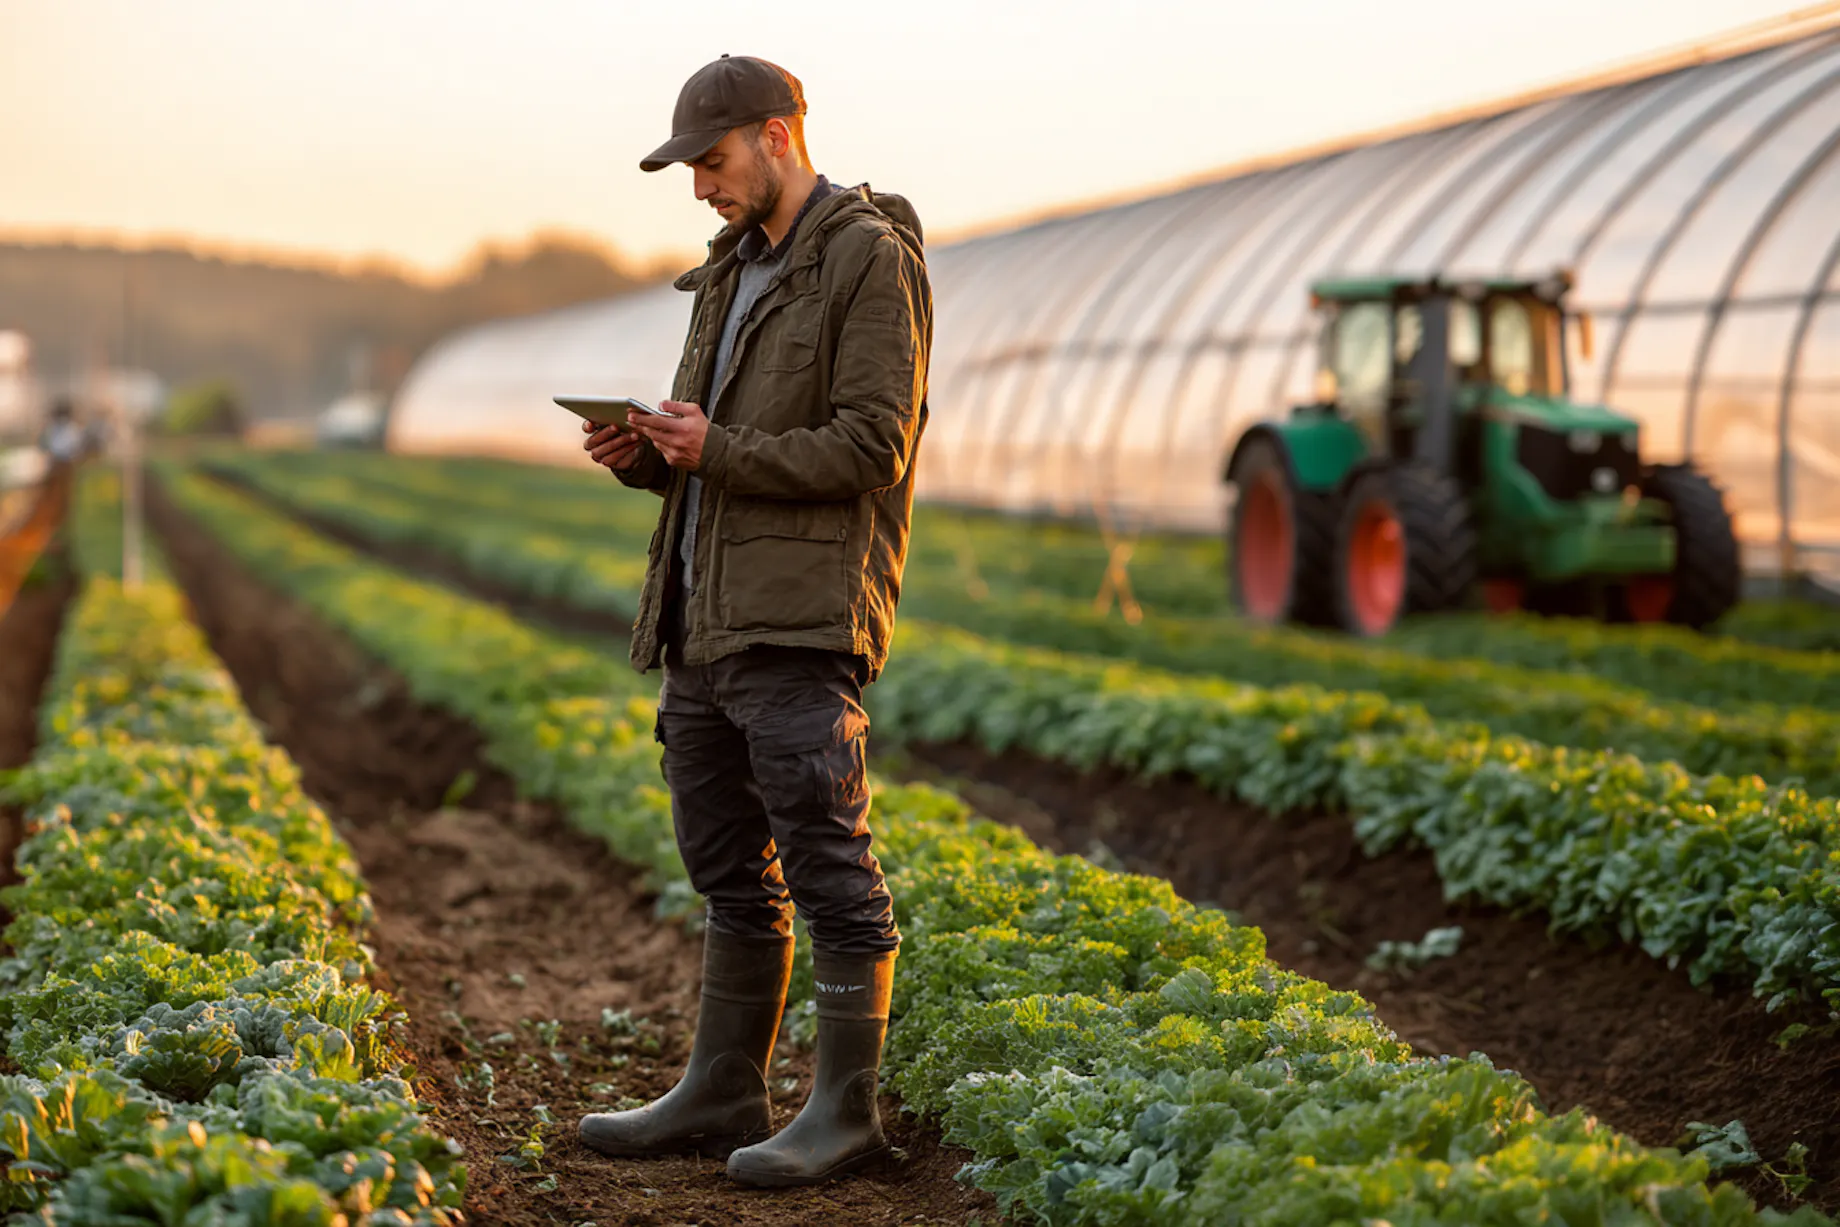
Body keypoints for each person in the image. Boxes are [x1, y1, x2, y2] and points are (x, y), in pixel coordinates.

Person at [575, 54, 932, 1188]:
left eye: (712, 161)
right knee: (728, 865)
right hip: (703, 617)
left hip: (797, 618)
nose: (699, 188)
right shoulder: (731, 272)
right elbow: (714, 452)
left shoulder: (867, 259)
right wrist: (650, 456)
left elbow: (875, 444)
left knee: (827, 860)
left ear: (776, 135)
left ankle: (845, 1113)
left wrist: (714, 450)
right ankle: (722, 1088)